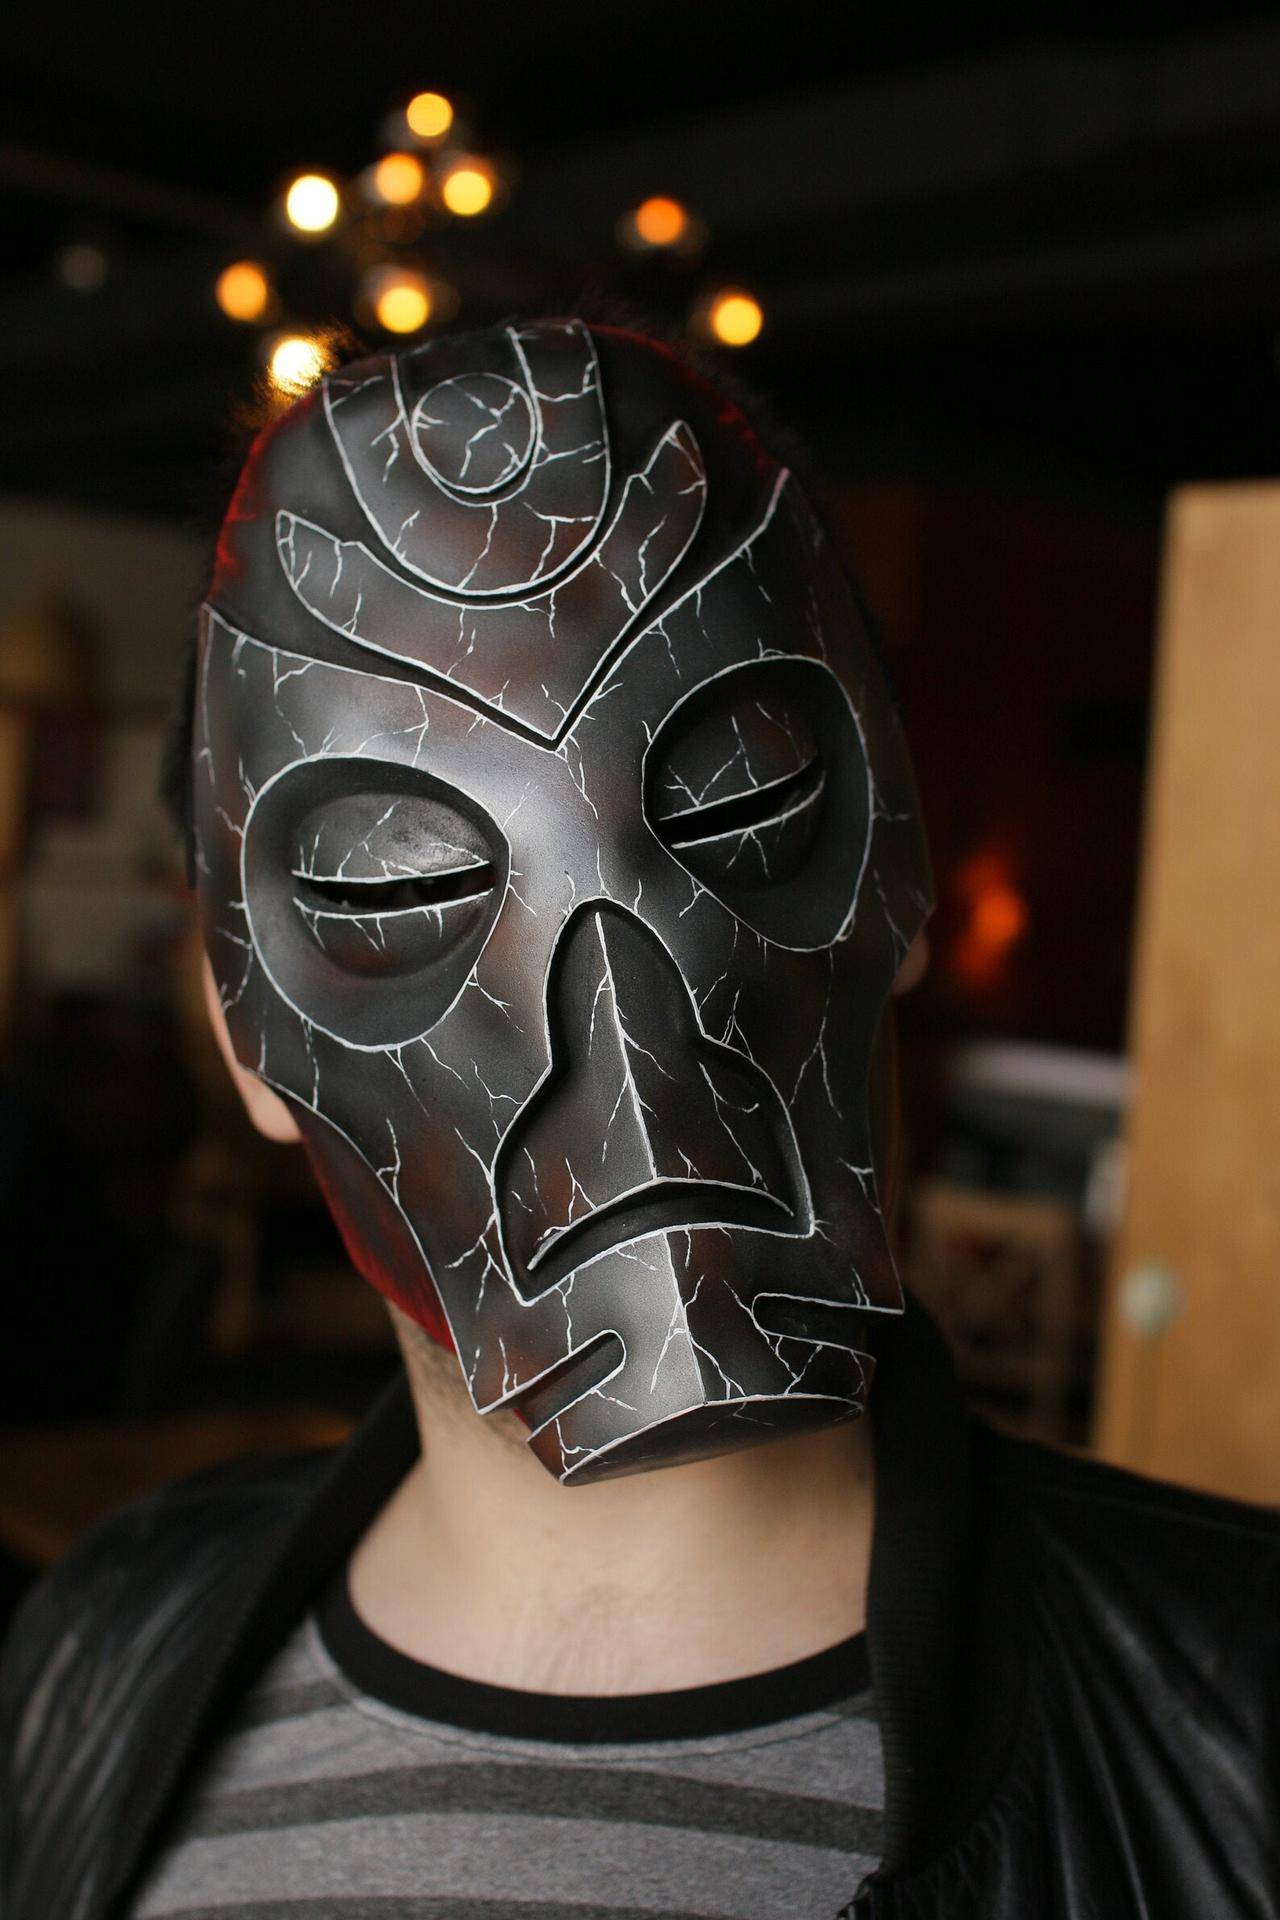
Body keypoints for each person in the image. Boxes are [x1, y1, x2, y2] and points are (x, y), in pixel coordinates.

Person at [2, 319, 1277, 1920]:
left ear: (901, 862)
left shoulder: (1240, 1719)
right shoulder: (93, 1661)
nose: (620, 1030)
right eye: (395, 884)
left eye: (740, 799)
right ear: (241, 1028)